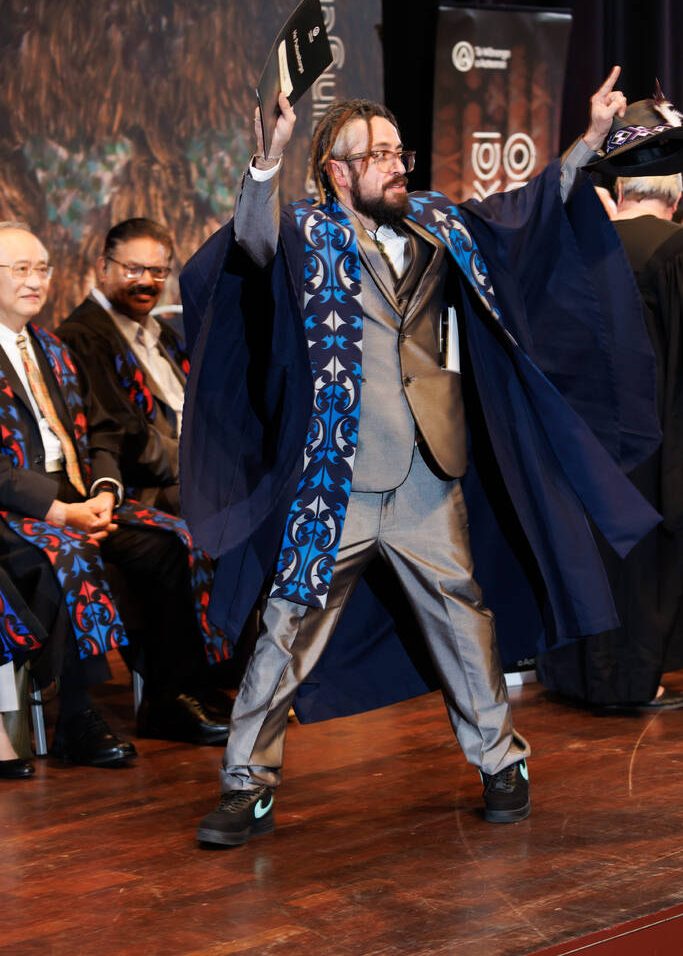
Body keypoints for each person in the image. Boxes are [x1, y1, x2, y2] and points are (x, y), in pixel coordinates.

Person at [180, 68, 661, 847]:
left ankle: (501, 761)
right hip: (331, 475)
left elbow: (522, 215)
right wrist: (268, 156)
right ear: (335, 172)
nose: (397, 164)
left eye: (399, 151)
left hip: (426, 473)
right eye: (377, 156)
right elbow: (251, 241)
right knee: (287, 625)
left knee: (460, 617)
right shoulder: (306, 231)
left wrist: (587, 142)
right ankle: (247, 783)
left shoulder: (438, 221)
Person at [0, 222, 231, 765]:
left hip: (82, 492)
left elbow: (100, 432)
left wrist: (103, 491)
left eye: (42, 270)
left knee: (172, 542)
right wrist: (57, 508)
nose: (35, 281)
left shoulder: (51, 348)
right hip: (17, 506)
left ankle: (170, 696)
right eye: (20, 270)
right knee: (72, 553)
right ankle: (77, 718)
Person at [537, 170, 683, 709]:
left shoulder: (575, 249)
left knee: (584, 556)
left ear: (620, 190)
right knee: (641, 569)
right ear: (678, 194)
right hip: (655, 445)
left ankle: (570, 674)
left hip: (580, 440)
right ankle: (631, 682)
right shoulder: (674, 252)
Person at [57, 219, 186, 515]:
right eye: (133, 269)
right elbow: (120, 436)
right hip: (140, 489)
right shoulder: (83, 336)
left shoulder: (164, 335)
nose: (146, 281)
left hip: (192, 472)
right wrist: (202, 464)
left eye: (157, 272)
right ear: (103, 268)